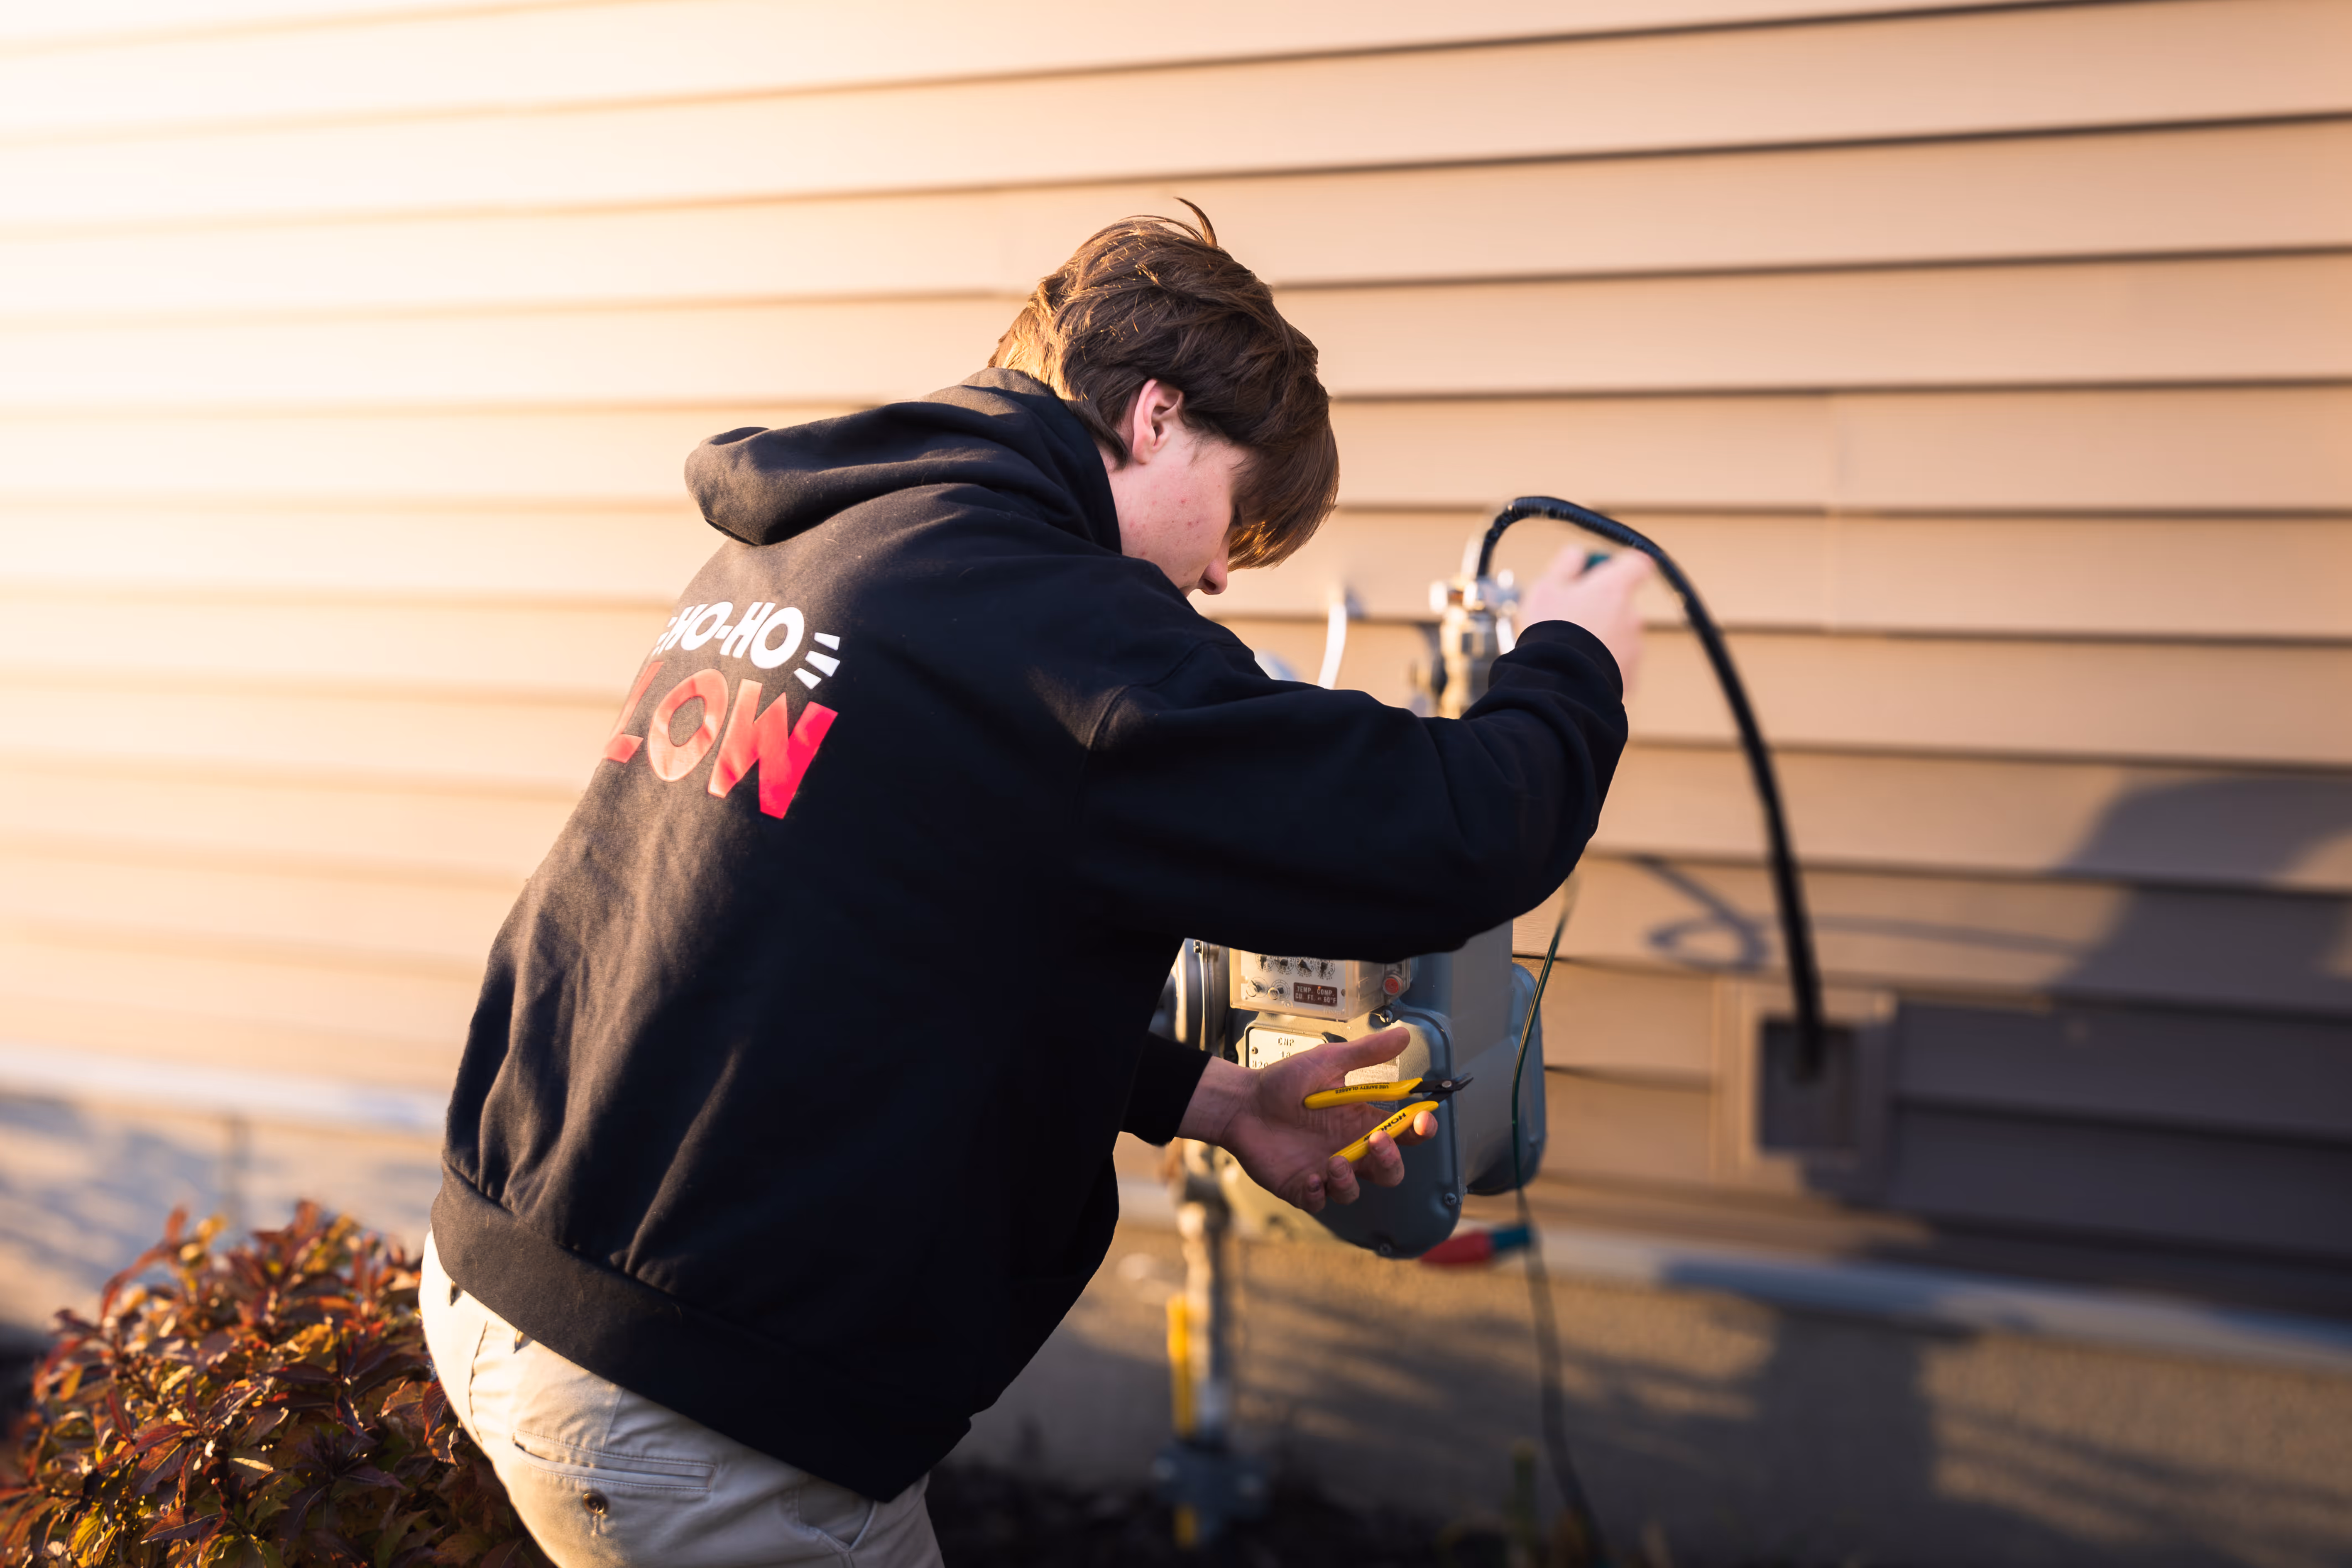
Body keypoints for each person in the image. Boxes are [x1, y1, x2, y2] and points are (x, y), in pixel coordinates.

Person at [420, 209, 1648, 1567]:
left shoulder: (825, 548)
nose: (1226, 569)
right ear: (1157, 417)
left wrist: (1212, 1098)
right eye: (1241, 510)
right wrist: (1569, 661)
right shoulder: (1050, 621)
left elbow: (878, 940)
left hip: (513, 1271)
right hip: (696, 1403)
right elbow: (1456, 836)